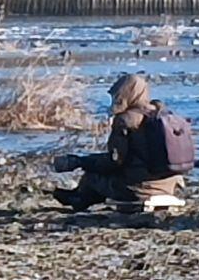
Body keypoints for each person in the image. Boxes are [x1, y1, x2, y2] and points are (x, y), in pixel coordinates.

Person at [51, 73, 190, 211]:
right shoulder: (165, 116)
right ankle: (78, 196)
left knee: (92, 177)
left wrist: (79, 162)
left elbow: (114, 160)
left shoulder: (126, 120)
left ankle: (79, 200)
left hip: (139, 188)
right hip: (169, 186)